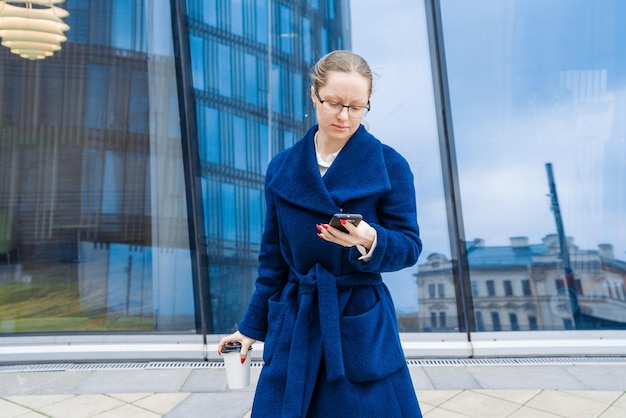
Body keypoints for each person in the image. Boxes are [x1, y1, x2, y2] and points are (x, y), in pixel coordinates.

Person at [218, 50, 423, 417]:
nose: (345, 116)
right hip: (297, 319)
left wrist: (368, 239)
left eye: (357, 107)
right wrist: (249, 329)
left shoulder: (390, 165)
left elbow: (409, 247)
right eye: (335, 103)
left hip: (358, 319)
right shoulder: (282, 168)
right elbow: (272, 263)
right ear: (314, 95)